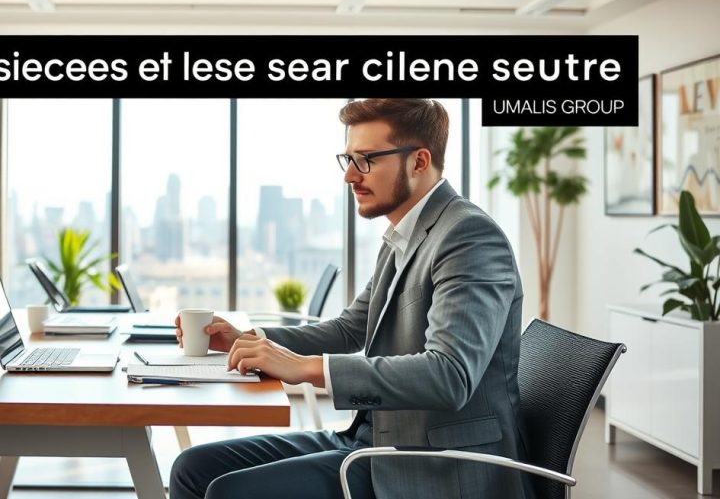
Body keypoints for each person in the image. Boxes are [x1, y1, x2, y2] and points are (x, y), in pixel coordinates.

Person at [170, 98, 534, 499]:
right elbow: (349, 328)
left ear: (418, 161)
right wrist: (247, 337)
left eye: (366, 160)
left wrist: (308, 368)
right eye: (347, 159)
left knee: (229, 491)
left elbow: (449, 376)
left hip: (434, 463)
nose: (349, 176)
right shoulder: (403, 236)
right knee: (193, 467)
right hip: (374, 438)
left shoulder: (469, 237)